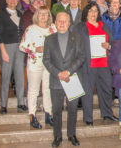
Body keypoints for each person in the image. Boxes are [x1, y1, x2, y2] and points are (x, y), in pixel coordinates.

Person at [43, 12, 85, 147]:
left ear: (69, 23)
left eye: (65, 21)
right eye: (59, 21)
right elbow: (46, 60)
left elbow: (81, 57)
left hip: (72, 78)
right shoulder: (49, 39)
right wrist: (58, 73)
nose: (62, 23)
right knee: (56, 110)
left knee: (72, 109)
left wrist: (68, 71)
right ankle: (57, 136)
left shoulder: (77, 38)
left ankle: (71, 135)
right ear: (55, 23)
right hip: (56, 80)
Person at [74, 2, 118, 126]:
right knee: (87, 91)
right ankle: (88, 117)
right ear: (86, 13)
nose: (93, 13)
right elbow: (75, 44)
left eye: (95, 11)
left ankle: (107, 113)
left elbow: (112, 42)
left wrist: (108, 45)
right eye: (90, 11)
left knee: (107, 90)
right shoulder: (80, 27)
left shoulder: (104, 26)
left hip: (104, 64)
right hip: (88, 64)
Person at [19, 6, 57, 129]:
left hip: (49, 64)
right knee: (33, 90)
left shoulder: (53, 28)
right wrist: (35, 49)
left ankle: (48, 114)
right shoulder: (31, 29)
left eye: (46, 14)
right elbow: (22, 46)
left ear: (49, 16)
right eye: (41, 13)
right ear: (37, 15)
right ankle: (32, 116)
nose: (43, 16)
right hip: (35, 63)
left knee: (47, 89)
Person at [0, 0, 27, 115]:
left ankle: (21, 102)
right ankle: (3, 105)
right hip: (7, 48)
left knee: (20, 76)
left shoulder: (21, 14)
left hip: (19, 48)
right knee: (5, 77)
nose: (12, 1)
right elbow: (0, 34)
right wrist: (3, 52)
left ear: (18, 0)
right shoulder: (2, 14)